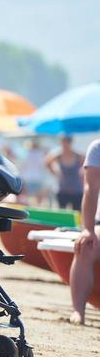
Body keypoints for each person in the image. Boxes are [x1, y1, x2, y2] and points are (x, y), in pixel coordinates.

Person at [69, 138, 100, 325]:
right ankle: (78, 311)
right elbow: (91, 189)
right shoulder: (97, 148)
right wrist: (87, 229)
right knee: (86, 246)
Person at [45, 135, 84, 211]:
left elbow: (86, 165)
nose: (65, 144)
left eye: (67, 142)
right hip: (62, 190)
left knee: (77, 213)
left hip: (76, 190)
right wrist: (54, 172)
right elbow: (47, 162)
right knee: (61, 213)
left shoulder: (78, 156)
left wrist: (82, 174)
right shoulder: (58, 155)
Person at [20, 140, 48, 205]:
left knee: (27, 197)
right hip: (38, 178)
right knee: (38, 198)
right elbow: (43, 166)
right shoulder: (41, 154)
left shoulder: (27, 153)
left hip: (28, 178)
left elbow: (23, 166)